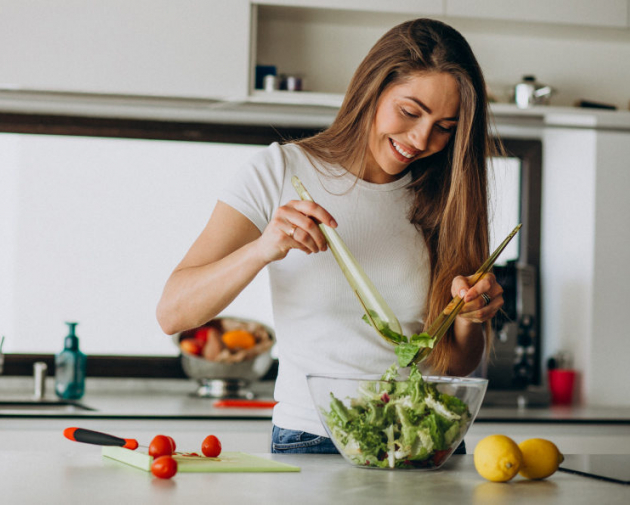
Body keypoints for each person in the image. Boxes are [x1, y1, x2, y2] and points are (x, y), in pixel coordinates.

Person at [157, 18, 504, 454]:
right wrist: (263, 248)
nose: (421, 139)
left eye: (445, 127)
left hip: (427, 439)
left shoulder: (447, 196)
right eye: (410, 112)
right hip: (315, 437)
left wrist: (472, 316)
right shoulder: (280, 172)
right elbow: (173, 312)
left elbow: (454, 361)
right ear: (372, 90)